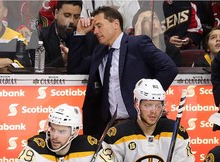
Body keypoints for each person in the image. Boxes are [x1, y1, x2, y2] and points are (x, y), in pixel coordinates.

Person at [67, 6, 178, 139]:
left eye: (99, 26)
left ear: (115, 24)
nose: (95, 31)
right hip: (109, 126)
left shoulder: (137, 43)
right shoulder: (99, 51)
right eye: (94, 27)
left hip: (138, 123)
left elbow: (169, 68)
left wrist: (150, 97)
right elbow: (75, 68)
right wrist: (80, 33)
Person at [102, 78, 196, 162]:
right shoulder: (117, 135)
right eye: (148, 105)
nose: (154, 111)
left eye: (158, 105)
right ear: (137, 103)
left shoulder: (176, 132)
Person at [39, 0, 97, 67]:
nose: (72, 21)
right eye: (67, 15)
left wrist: (80, 35)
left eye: (76, 17)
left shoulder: (87, 37)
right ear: (56, 14)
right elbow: (37, 70)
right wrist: (63, 59)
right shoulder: (40, 36)